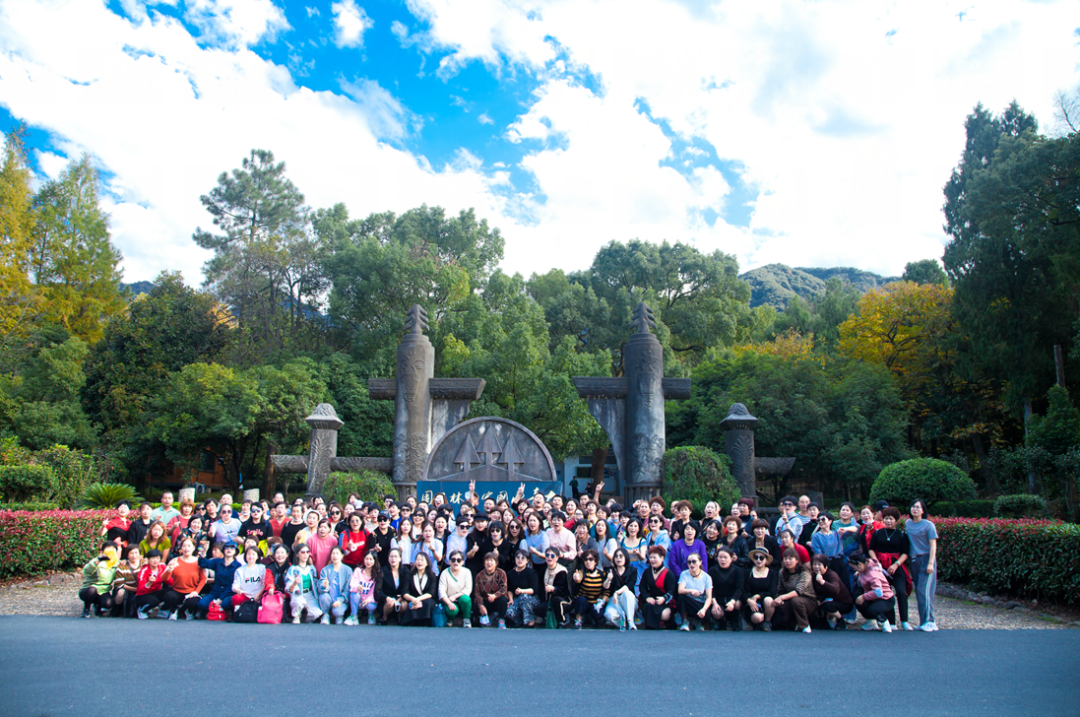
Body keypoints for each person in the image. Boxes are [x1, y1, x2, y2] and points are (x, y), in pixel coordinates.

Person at [868, 506, 913, 630]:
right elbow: (871, 549)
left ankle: (904, 620)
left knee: (901, 592)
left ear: (896, 521)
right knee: (885, 594)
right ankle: (891, 621)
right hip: (880, 566)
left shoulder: (902, 535)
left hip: (896, 565)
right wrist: (876, 561)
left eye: (891, 519)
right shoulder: (878, 533)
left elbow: (905, 553)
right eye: (886, 518)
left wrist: (896, 564)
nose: (888, 521)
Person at [906, 499, 939, 631]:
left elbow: (933, 545)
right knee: (918, 593)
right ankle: (923, 621)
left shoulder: (928, 525)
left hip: (926, 559)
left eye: (918, 507)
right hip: (914, 560)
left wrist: (930, 563)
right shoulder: (908, 523)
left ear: (923, 510)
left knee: (924, 591)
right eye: (913, 507)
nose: (915, 509)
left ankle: (930, 621)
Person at [848, 552, 896, 632]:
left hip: (885, 599)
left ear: (860, 565)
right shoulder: (865, 567)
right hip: (873, 598)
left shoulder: (873, 574)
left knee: (872, 610)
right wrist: (859, 573)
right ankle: (871, 622)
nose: (854, 570)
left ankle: (884, 622)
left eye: (854, 567)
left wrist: (863, 597)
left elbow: (878, 592)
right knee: (856, 599)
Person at [773, 548, 818, 633]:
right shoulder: (782, 572)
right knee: (780, 608)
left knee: (796, 600)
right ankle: (793, 624)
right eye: (785, 558)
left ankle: (805, 625)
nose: (787, 561)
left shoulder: (804, 572)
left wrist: (782, 597)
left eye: (790, 559)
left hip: (809, 600)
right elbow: (780, 589)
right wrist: (778, 599)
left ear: (797, 560)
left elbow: (799, 591)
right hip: (790, 599)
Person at [161, 537, 206, 621]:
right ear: (181, 548)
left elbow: (203, 579)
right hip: (177, 590)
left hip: (191, 591)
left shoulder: (198, 562)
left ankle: (188, 611)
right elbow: (164, 578)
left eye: (189, 546)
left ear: (193, 548)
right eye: (184, 546)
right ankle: (173, 611)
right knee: (168, 596)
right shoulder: (175, 560)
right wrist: (169, 569)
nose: (186, 548)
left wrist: (196, 591)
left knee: (194, 602)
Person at [197, 542, 242, 618]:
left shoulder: (238, 565)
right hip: (215, 592)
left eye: (232, 548)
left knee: (225, 604)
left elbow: (234, 584)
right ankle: (215, 611)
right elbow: (203, 563)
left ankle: (225, 612)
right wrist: (204, 552)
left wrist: (220, 599)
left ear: (235, 551)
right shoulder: (217, 561)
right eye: (227, 547)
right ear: (223, 550)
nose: (229, 550)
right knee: (201, 604)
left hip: (228, 593)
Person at [810, 553, 853, 630]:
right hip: (827, 600)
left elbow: (835, 590)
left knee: (827, 606)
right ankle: (825, 622)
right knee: (815, 604)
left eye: (819, 564)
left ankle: (840, 621)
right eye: (814, 564)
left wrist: (822, 582)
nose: (816, 567)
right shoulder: (813, 575)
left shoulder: (832, 575)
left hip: (843, 603)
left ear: (826, 566)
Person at [639, 545, 676, 629]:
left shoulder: (668, 573)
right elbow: (642, 586)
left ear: (662, 558)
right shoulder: (647, 572)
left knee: (665, 615)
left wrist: (664, 598)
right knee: (647, 606)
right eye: (651, 557)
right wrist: (647, 598)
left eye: (654, 557)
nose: (652, 560)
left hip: (665, 602)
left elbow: (672, 590)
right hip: (652, 600)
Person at [708, 547, 744, 631]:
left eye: (725, 557)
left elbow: (740, 588)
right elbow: (709, 588)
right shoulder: (712, 570)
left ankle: (735, 621)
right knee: (717, 613)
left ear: (731, 558)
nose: (723, 560)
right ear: (717, 558)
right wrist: (714, 603)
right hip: (718, 599)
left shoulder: (738, 571)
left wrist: (732, 601)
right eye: (720, 557)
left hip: (732, 598)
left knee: (737, 604)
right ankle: (721, 621)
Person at [79, 541, 119, 618]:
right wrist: (97, 562)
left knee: (108, 603)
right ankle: (86, 609)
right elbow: (86, 571)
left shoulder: (116, 563)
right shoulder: (97, 560)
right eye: (107, 551)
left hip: (103, 590)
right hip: (89, 589)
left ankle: (98, 606)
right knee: (91, 591)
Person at [602, 547, 638, 631]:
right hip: (615, 601)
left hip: (629, 600)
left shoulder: (632, 570)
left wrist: (616, 593)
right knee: (609, 615)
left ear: (626, 558)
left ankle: (631, 622)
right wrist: (608, 579)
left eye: (621, 556)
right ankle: (623, 622)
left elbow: (629, 585)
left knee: (626, 593)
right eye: (616, 556)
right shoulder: (610, 571)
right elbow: (605, 587)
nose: (618, 558)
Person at [286, 544, 323, 624]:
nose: (305, 554)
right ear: (297, 554)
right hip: (298, 593)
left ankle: (306, 618)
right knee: (299, 603)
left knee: (317, 613)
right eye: (302, 552)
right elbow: (289, 589)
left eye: (307, 552)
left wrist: (323, 584)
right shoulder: (293, 569)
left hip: (309, 593)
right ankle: (297, 615)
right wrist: (294, 583)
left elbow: (316, 583)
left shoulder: (311, 568)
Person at [569, 549, 606, 629]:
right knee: (580, 600)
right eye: (586, 560)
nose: (588, 562)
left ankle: (591, 617)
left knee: (598, 617)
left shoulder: (601, 574)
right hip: (584, 602)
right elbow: (578, 578)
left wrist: (602, 602)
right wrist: (577, 578)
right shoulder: (582, 572)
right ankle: (578, 620)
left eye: (591, 559)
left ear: (595, 561)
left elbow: (606, 591)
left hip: (595, 603)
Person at [744, 548, 779, 631]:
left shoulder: (772, 573)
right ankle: (756, 623)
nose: (758, 560)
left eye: (761, 558)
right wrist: (749, 600)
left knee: (768, 600)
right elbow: (742, 590)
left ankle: (767, 622)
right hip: (751, 601)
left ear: (766, 560)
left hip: (766, 601)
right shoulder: (747, 572)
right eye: (756, 557)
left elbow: (772, 591)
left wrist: (758, 596)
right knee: (757, 618)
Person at [676, 552, 713, 631]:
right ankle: (685, 621)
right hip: (688, 601)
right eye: (689, 562)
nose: (691, 564)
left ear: (700, 562)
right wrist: (691, 591)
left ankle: (698, 622)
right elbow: (680, 590)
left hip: (700, 603)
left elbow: (709, 598)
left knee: (707, 614)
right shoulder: (684, 574)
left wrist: (704, 609)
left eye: (694, 561)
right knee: (681, 598)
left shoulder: (707, 577)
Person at [317, 546, 353, 625]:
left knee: (338, 612)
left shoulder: (348, 570)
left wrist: (340, 601)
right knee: (323, 596)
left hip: (341, 600)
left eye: (337, 553)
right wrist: (324, 586)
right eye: (333, 554)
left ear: (342, 555)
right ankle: (325, 615)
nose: (335, 556)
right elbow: (320, 588)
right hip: (329, 599)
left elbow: (347, 589)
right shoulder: (325, 570)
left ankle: (339, 616)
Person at [505, 549, 541, 628]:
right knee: (509, 612)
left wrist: (522, 591)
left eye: (523, 558)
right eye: (518, 557)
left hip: (531, 598)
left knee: (523, 597)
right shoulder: (510, 573)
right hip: (517, 599)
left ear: (527, 560)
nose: (520, 560)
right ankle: (521, 622)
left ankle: (530, 621)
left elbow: (534, 589)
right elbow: (509, 589)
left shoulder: (532, 573)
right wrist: (511, 599)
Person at [439, 550, 473, 628]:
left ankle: (466, 619)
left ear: (462, 562)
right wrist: (449, 603)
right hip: (449, 600)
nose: (456, 562)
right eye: (453, 560)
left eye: (458, 560)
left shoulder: (467, 572)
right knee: (452, 610)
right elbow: (441, 592)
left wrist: (455, 596)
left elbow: (468, 589)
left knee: (466, 599)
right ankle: (450, 619)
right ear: (449, 561)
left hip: (460, 598)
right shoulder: (444, 573)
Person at [401, 551, 437, 626]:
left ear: (427, 563)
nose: (419, 562)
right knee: (413, 603)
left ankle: (424, 621)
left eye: (422, 560)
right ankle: (414, 620)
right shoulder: (409, 575)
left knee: (428, 602)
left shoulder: (432, 576)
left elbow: (431, 593)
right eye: (418, 560)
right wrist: (413, 599)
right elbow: (404, 592)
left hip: (425, 599)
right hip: (413, 599)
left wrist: (418, 600)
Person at [134, 548, 172, 619]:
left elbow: (168, 581)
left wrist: (170, 573)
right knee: (154, 601)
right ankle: (141, 610)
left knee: (172, 592)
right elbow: (141, 588)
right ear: (148, 560)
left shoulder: (162, 567)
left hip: (156, 592)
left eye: (157, 558)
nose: (155, 560)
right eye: (153, 558)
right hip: (143, 594)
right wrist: (149, 583)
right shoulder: (144, 570)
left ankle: (162, 610)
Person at [475, 551, 509, 628]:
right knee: (475, 605)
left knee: (503, 600)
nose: (489, 563)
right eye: (487, 560)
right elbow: (477, 593)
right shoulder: (479, 575)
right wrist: (481, 605)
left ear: (496, 563)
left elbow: (504, 589)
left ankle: (501, 619)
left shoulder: (501, 573)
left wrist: (495, 595)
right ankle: (485, 616)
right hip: (485, 600)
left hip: (496, 600)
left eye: (491, 560)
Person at [346, 551, 380, 626]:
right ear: (363, 559)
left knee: (371, 606)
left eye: (371, 559)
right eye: (366, 559)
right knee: (354, 594)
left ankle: (371, 615)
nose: (368, 561)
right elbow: (352, 585)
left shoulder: (378, 573)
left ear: (375, 560)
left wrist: (369, 599)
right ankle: (354, 616)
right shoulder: (358, 570)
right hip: (358, 599)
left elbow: (377, 590)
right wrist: (357, 587)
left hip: (369, 600)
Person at [541, 547, 572, 627]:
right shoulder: (544, 570)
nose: (549, 558)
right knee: (538, 608)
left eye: (552, 556)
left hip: (564, 599)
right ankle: (547, 618)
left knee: (556, 601)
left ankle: (563, 620)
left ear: (557, 558)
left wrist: (553, 589)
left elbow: (563, 590)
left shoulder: (562, 571)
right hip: (549, 599)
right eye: (547, 555)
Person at [231, 546, 268, 614]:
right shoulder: (240, 570)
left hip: (258, 595)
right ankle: (237, 614)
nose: (251, 556)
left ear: (257, 556)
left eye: (253, 554)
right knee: (236, 598)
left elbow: (265, 584)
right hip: (245, 595)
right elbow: (236, 584)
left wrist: (258, 594)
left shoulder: (262, 568)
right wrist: (237, 589)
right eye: (248, 554)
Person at [379, 548, 408, 624]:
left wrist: (401, 598)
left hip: (401, 598)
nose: (393, 559)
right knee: (390, 603)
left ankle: (399, 617)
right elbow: (378, 591)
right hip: (387, 598)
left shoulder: (405, 571)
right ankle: (384, 618)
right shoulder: (383, 571)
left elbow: (407, 588)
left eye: (395, 556)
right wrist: (386, 598)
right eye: (391, 556)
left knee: (404, 604)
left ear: (400, 558)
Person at [111, 546, 141, 618]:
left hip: (141, 588)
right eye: (131, 553)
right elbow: (120, 584)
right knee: (120, 592)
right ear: (127, 555)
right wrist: (135, 589)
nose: (134, 555)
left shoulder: (144, 564)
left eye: (136, 553)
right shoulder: (122, 566)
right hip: (126, 588)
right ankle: (118, 609)